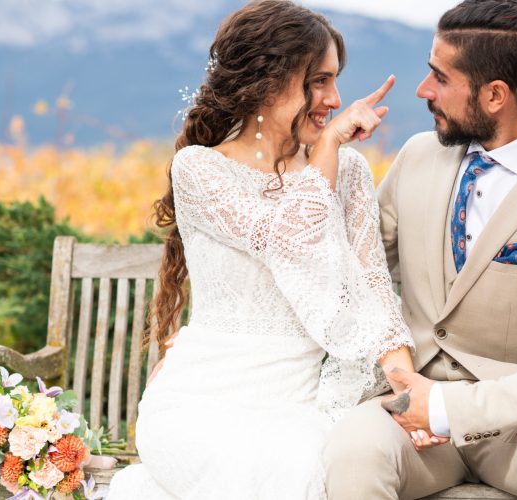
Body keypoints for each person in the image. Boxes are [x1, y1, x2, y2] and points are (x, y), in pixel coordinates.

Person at [106, 1, 414, 498]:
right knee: (252, 468)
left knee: (294, 464)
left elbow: (374, 289)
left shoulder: (351, 173)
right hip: (200, 399)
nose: (334, 99)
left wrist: (407, 386)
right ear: (264, 81)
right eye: (318, 80)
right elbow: (291, 238)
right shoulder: (199, 171)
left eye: (336, 80)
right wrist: (330, 148)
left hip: (302, 401)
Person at [324, 1, 517, 498]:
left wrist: (449, 409)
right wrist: (324, 147)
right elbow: (348, 271)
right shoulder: (417, 157)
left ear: (495, 95)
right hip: (409, 419)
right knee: (354, 447)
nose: (424, 91)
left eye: (439, 78)